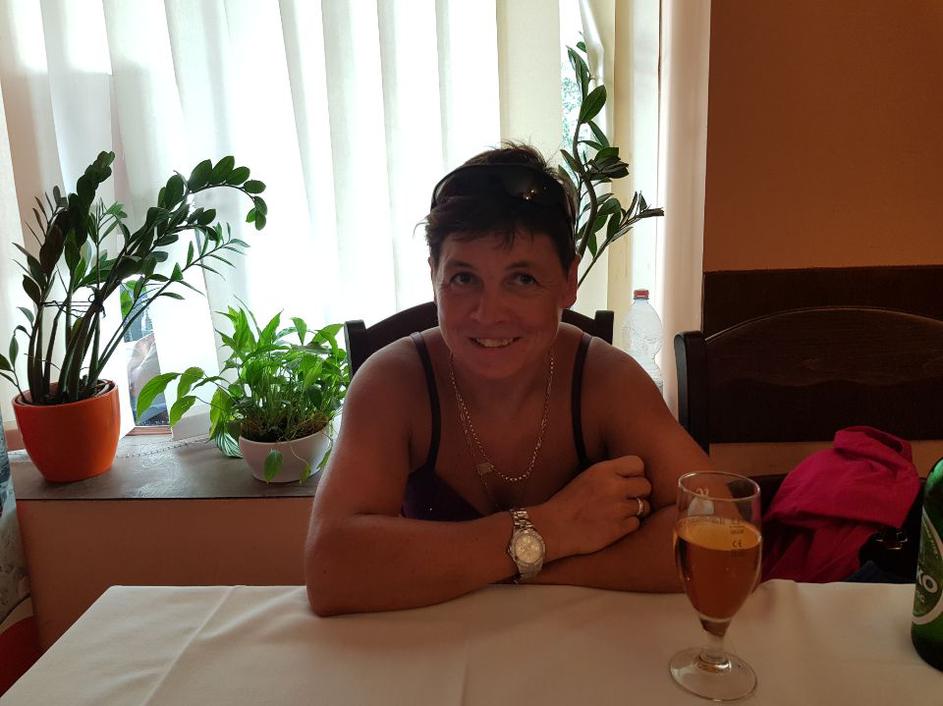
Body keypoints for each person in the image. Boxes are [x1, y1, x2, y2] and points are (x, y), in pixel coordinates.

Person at [305, 143, 712, 616]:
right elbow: (331, 571)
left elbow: (718, 526)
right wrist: (552, 529)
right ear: (434, 276)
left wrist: (529, 567)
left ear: (568, 281)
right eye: (463, 278)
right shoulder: (392, 385)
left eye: (522, 279)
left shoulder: (607, 380)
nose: (489, 314)